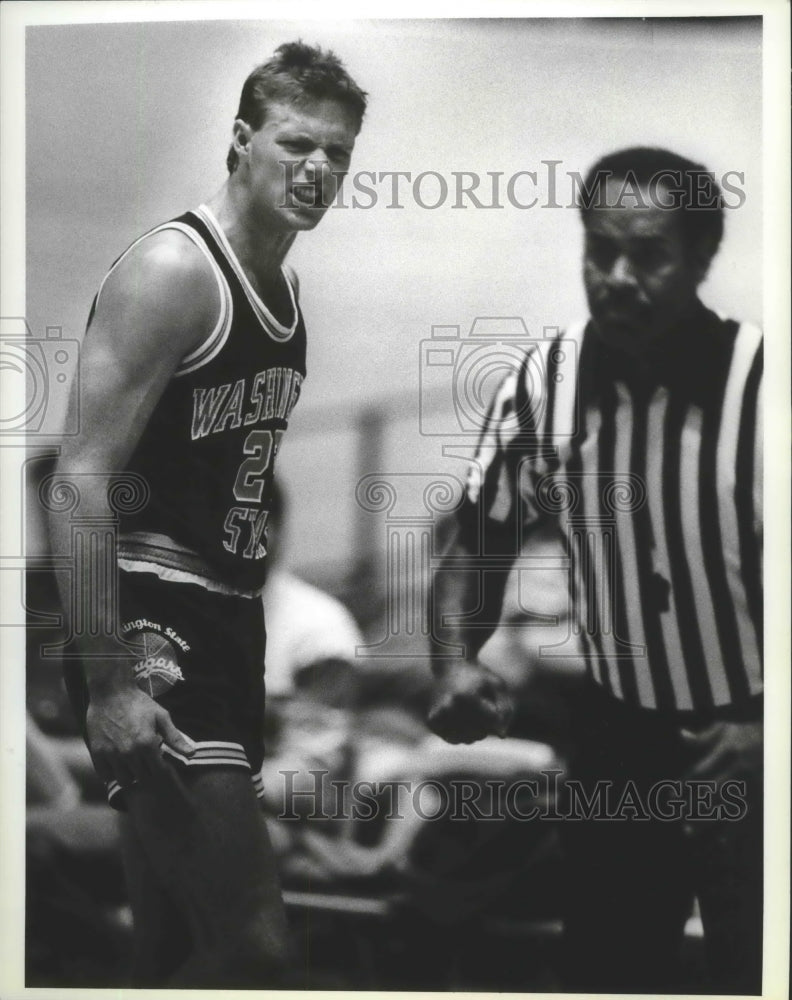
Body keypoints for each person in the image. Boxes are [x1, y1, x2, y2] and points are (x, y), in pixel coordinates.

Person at [48, 41, 367, 987]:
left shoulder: (286, 289)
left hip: (230, 618)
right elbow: (78, 479)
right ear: (241, 140)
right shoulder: (175, 272)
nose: (318, 170)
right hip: (154, 623)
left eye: (339, 154)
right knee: (256, 952)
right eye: (297, 144)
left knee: (170, 946)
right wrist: (107, 684)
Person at [428, 147, 763, 993]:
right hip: (619, 735)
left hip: (755, 735)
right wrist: (455, 662)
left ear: (699, 261)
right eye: (598, 251)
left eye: (646, 255)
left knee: (755, 967)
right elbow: (476, 541)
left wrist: (774, 730)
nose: (615, 277)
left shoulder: (765, 389)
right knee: (605, 970)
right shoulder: (544, 385)